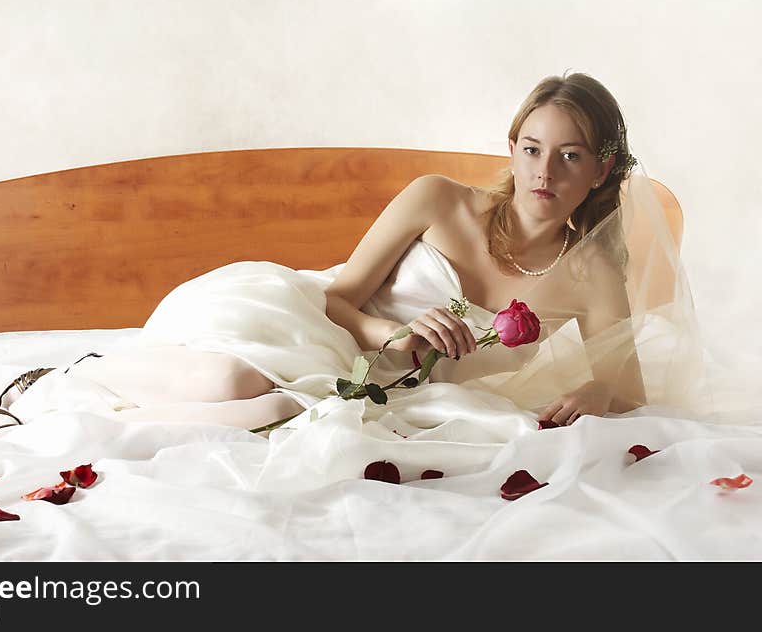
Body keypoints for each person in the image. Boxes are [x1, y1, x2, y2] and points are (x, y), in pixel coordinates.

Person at [60, 71, 737, 433]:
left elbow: (632, 392)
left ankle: (94, 414)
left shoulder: (591, 273)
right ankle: (77, 382)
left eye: (569, 157)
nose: (544, 173)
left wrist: (595, 391)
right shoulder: (438, 199)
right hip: (318, 324)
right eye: (531, 149)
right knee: (234, 385)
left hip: (392, 391)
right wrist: (395, 330)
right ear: (512, 147)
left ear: (599, 169)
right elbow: (337, 296)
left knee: (273, 413)